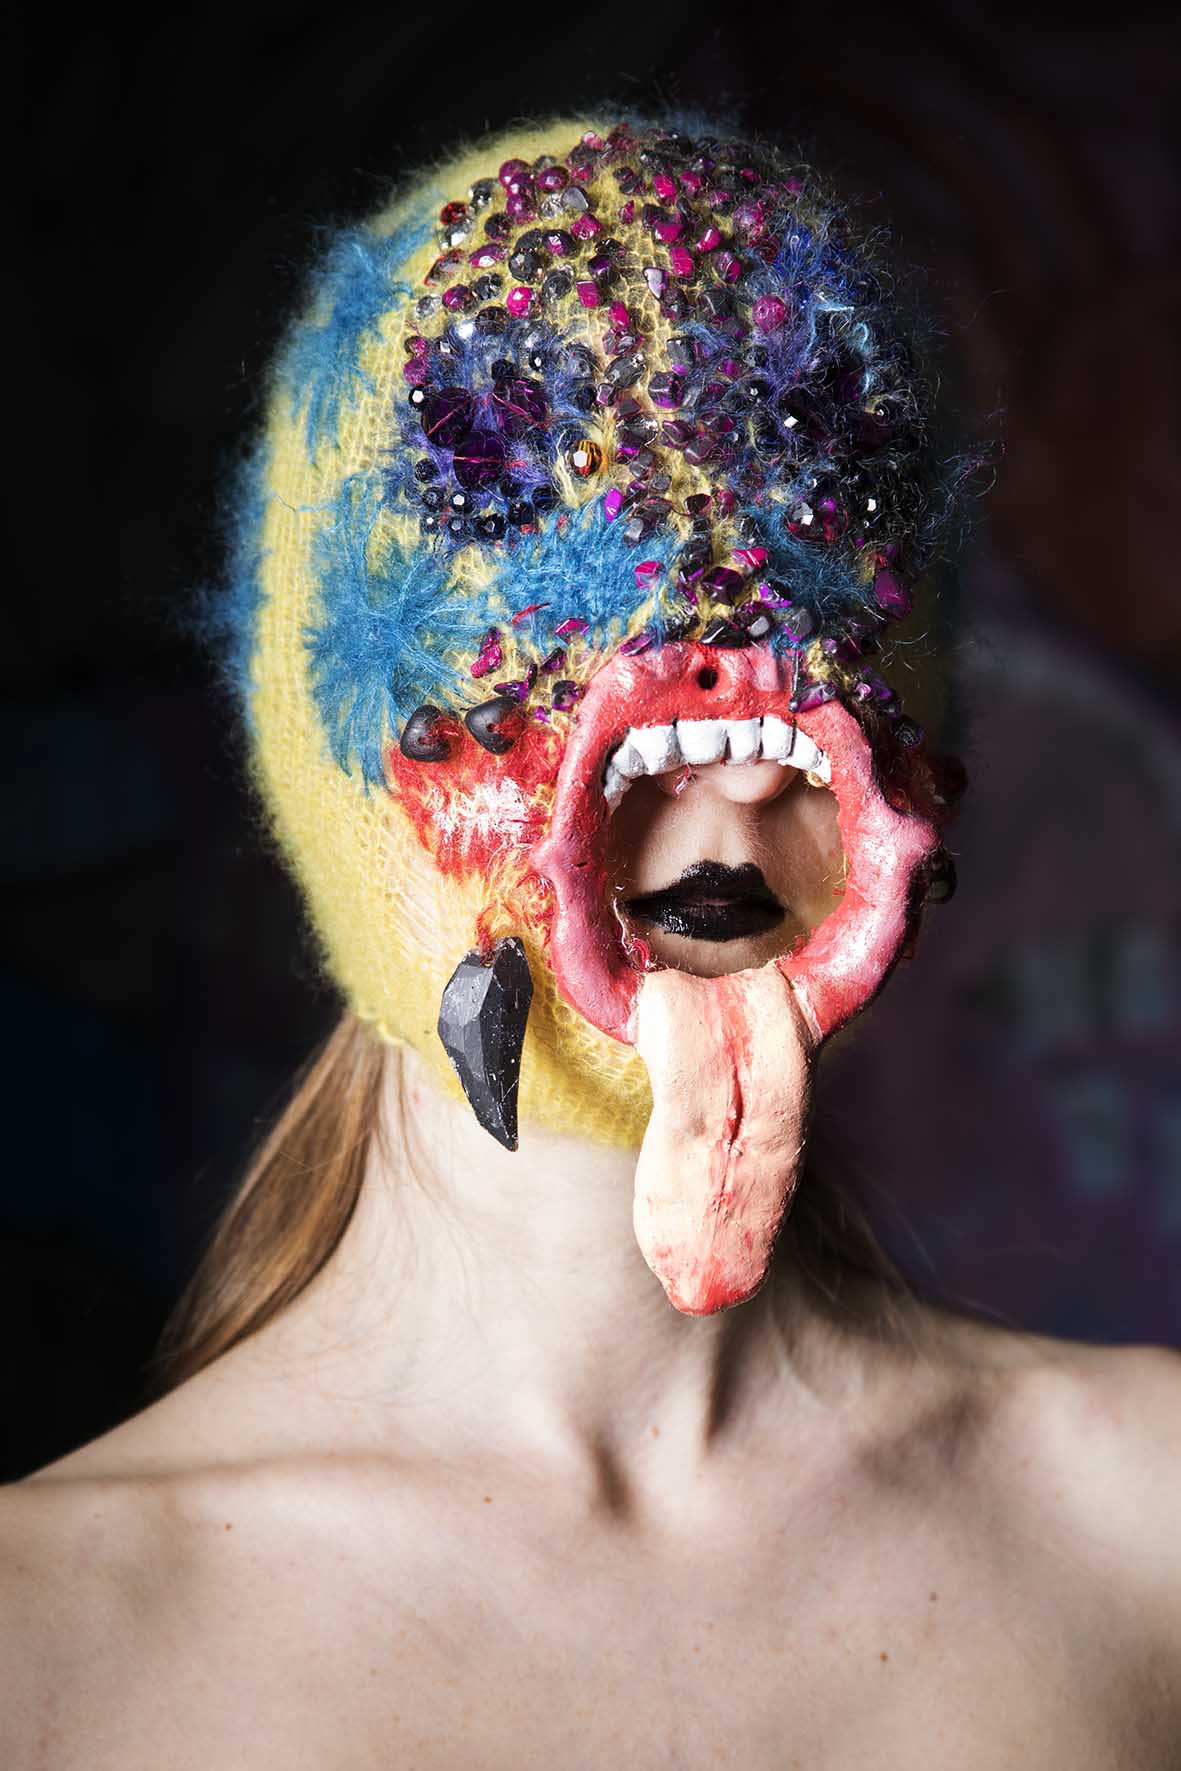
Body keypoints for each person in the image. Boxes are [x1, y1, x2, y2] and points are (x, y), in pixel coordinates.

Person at [3, 114, 1179, 1769]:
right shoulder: (45, 1641)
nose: (745, 763)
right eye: (500, 464)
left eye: (832, 464)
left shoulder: (1143, 1523)